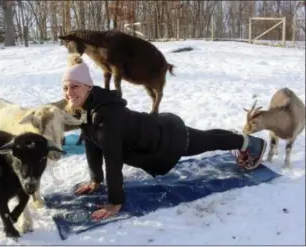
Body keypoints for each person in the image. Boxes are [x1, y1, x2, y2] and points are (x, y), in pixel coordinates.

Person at [61, 54, 267, 220]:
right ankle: (238, 138)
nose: (69, 92)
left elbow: (112, 159)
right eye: (66, 87)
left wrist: (115, 202)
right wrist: (95, 180)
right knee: (205, 137)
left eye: (75, 86)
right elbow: (91, 143)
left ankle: (251, 143)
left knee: (208, 141)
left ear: (88, 86)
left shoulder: (106, 116)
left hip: (166, 141)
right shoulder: (87, 108)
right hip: (157, 129)